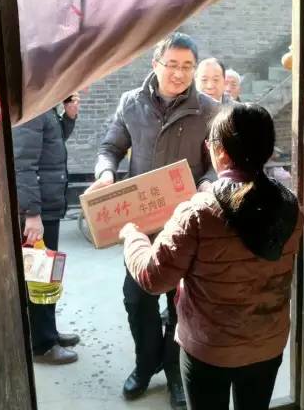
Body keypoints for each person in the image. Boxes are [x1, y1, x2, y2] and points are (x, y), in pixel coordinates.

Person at [120, 103, 304, 410]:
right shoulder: (290, 206)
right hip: (267, 342)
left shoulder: (198, 213)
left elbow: (154, 278)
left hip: (209, 348)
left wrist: (133, 237)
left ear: (219, 151)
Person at [85, 33, 218, 410]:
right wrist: (106, 173)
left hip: (187, 224)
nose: (179, 73)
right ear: (155, 64)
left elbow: (216, 164)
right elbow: (110, 147)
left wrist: (205, 186)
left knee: (180, 304)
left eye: (187, 67)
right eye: (172, 65)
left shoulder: (208, 109)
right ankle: (146, 364)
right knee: (137, 299)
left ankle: (174, 370)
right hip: (140, 227)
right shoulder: (131, 103)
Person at [12, 93, 82, 365]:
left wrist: (69, 118)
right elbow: (22, 164)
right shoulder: (32, 108)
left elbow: (52, 145)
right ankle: (42, 345)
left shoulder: (44, 107)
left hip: (48, 207)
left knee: (49, 276)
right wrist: (32, 214)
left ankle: (49, 332)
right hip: (38, 212)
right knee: (40, 278)